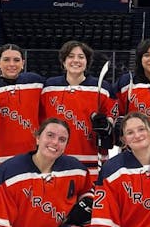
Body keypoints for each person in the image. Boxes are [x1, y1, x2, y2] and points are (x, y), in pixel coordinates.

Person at [40, 40, 116, 178]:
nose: (76, 60)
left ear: (87, 62)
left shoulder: (102, 88)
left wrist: (106, 125)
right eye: (71, 56)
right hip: (55, 159)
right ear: (63, 62)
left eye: (81, 57)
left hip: (92, 160)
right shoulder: (49, 88)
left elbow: (113, 118)